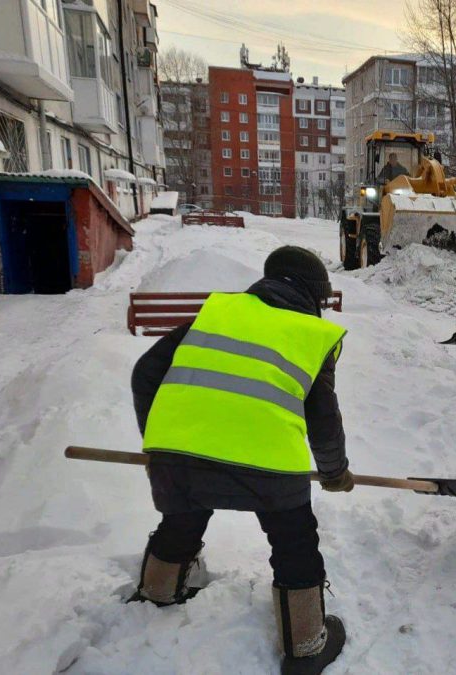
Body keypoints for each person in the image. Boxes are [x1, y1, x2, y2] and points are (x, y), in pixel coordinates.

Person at [129, 246, 352, 675]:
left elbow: (145, 373)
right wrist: (334, 472)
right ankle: (305, 645)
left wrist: (158, 443)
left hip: (181, 456)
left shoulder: (214, 315)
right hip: (267, 464)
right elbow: (323, 420)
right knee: (294, 543)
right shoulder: (309, 333)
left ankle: (156, 592)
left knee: (183, 515)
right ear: (312, 293)